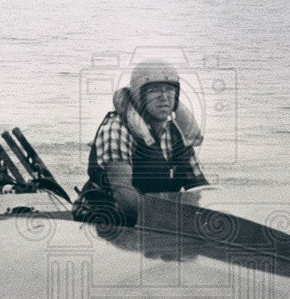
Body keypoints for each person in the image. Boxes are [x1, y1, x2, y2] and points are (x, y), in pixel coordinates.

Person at [73, 60, 208, 226]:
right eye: (154, 90)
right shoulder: (116, 128)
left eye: (170, 89)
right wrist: (170, 221)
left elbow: (198, 187)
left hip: (155, 219)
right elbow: (124, 196)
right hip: (105, 218)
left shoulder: (176, 133)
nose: (164, 97)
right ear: (139, 95)